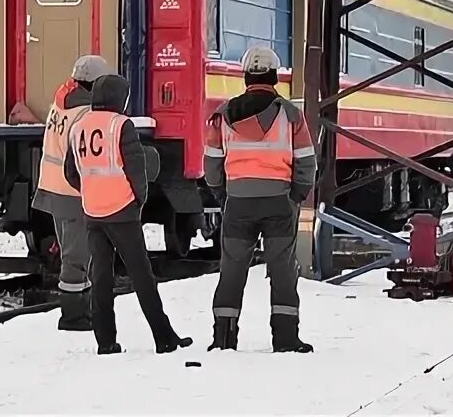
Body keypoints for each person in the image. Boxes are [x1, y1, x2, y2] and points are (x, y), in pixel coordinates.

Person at [64, 73, 192, 355]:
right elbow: (137, 172)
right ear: (119, 98)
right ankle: (164, 337)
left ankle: (105, 342)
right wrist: (138, 201)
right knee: (142, 276)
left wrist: (90, 191)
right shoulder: (121, 125)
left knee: (101, 278)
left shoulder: (78, 127)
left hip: (93, 212)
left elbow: (71, 173)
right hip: (122, 211)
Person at [204, 46, 317, 353]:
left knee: (232, 270)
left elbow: (212, 163)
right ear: (275, 77)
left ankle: (223, 339)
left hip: (238, 202)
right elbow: (306, 161)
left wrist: (223, 194)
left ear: (245, 77)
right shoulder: (291, 115)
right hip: (279, 201)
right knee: (282, 270)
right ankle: (285, 339)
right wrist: (296, 195)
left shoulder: (223, 115)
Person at [32, 54, 111, 331]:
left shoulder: (60, 101)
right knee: (77, 256)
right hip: (73, 191)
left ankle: (81, 310)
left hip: (52, 188)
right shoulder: (84, 113)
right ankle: (73, 316)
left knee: (72, 251)